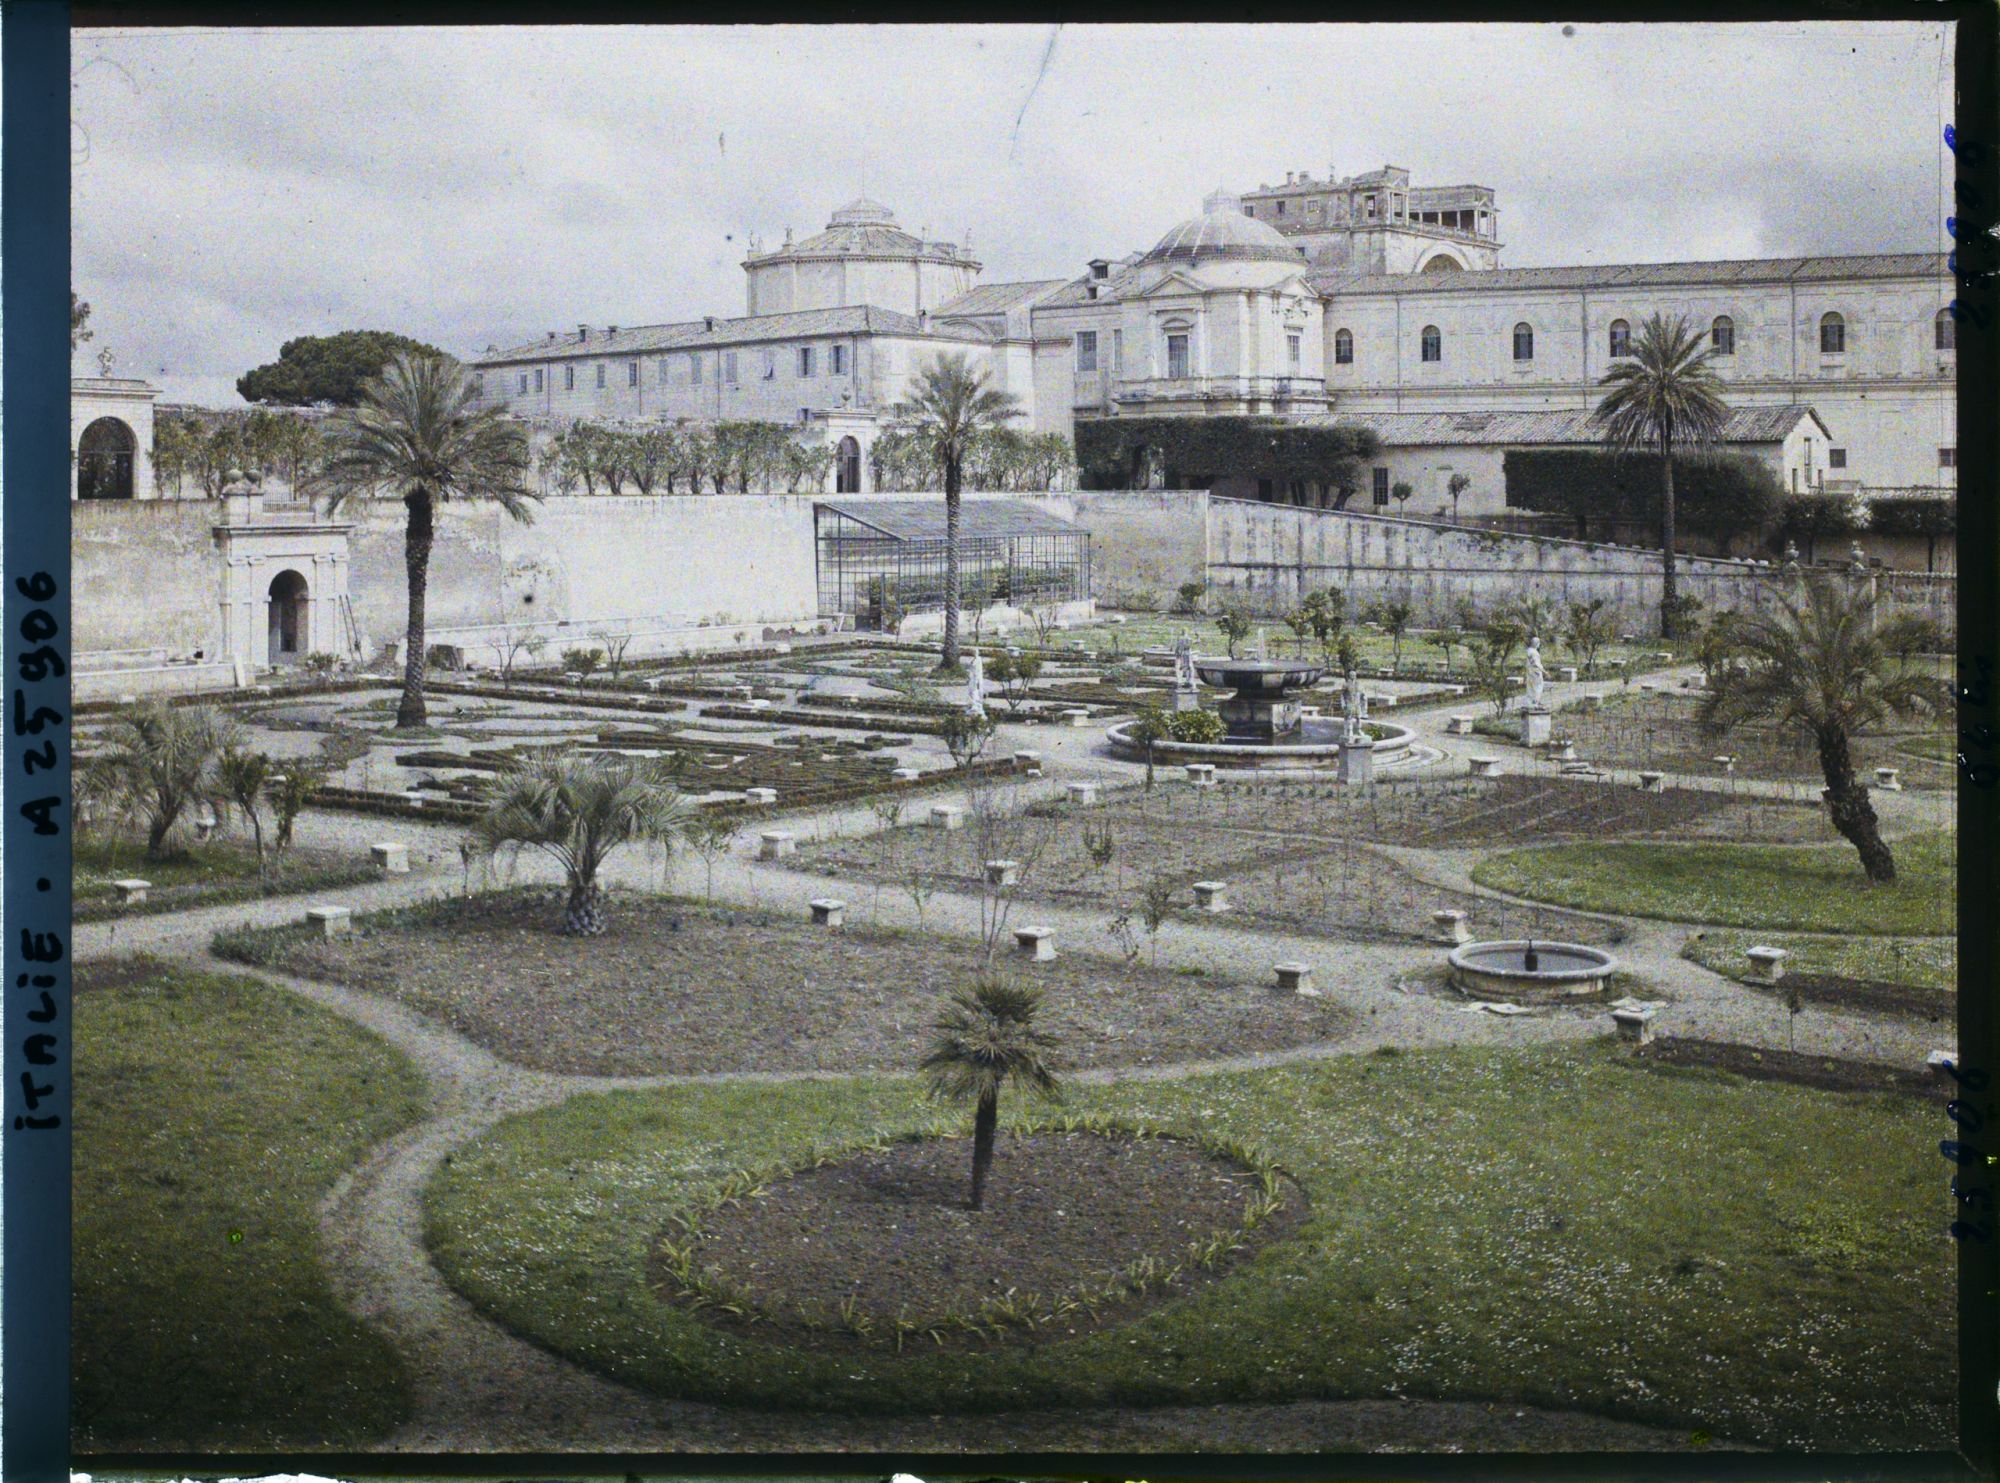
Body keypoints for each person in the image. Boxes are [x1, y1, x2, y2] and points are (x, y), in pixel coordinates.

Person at [1524, 635, 1547, 709]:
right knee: (1538, 687)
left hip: (1530, 672)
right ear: (1536, 643)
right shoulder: (1534, 652)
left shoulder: (1528, 650)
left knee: (1530, 688)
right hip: (1536, 673)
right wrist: (1545, 671)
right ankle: (1535, 703)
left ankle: (1530, 703)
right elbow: (1536, 664)